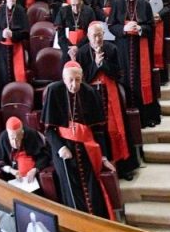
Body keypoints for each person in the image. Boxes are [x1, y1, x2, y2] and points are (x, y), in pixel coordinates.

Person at [41, 61, 115, 220]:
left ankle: (98, 223)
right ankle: (77, 222)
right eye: (70, 80)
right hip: (63, 149)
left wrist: (103, 157)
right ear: (63, 78)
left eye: (78, 80)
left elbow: (99, 130)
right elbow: (48, 130)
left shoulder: (89, 92)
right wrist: (60, 148)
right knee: (71, 189)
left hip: (87, 148)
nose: (74, 85)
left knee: (92, 189)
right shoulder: (54, 91)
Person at [78, 22, 138, 180]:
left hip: (111, 94)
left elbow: (118, 74)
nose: (97, 39)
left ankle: (124, 167)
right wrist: (96, 64)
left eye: (100, 35)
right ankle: (104, 169)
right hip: (92, 98)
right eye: (94, 36)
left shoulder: (112, 49)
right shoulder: (82, 53)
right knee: (99, 132)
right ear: (88, 37)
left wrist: (103, 63)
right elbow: (83, 79)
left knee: (118, 129)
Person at [109, 0, 160, 128]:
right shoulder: (117, 4)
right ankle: (127, 119)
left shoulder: (145, 4)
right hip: (123, 48)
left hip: (140, 48)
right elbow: (111, 25)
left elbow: (151, 27)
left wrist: (140, 29)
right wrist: (123, 29)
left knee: (141, 81)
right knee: (124, 79)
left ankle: (145, 118)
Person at [0, 0, 30, 87]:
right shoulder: (0, 10)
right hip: (2, 50)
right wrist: (2, 34)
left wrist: (13, 34)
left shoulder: (21, 10)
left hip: (16, 48)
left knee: (16, 75)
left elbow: (26, 32)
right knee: (2, 75)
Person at [0, 116, 51, 185]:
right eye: (12, 138)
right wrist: (11, 170)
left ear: (22, 134)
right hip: (13, 179)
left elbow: (45, 155)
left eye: (17, 138)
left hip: (34, 179)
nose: (15, 142)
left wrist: (35, 169)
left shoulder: (31, 134)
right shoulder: (3, 137)